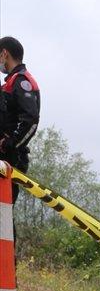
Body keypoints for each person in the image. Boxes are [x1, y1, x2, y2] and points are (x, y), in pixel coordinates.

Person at [0, 36, 41, 202]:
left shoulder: (22, 81)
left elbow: (31, 119)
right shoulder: (8, 83)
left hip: (11, 159)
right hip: (3, 157)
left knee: (3, 212)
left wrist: (11, 143)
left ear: (4, 54)